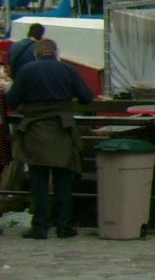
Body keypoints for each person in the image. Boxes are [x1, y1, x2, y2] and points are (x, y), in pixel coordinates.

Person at [5, 38, 94, 239]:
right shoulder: (68, 70)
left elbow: (12, 100)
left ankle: (40, 227)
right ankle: (64, 226)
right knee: (63, 180)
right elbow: (86, 97)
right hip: (62, 129)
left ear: (37, 53)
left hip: (35, 129)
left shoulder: (27, 70)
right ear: (56, 53)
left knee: (39, 180)